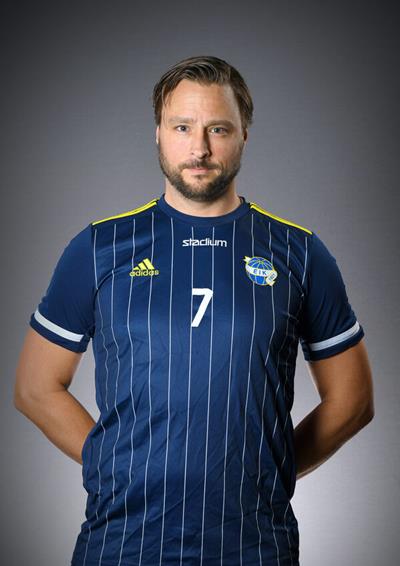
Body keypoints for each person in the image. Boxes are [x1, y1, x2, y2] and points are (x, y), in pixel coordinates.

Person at [14, 55, 374, 566]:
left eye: (217, 129)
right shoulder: (98, 247)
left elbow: (354, 400)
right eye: (182, 127)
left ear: (244, 134)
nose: (199, 148)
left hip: (254, 545)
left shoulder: (299, 252)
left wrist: (268, 472)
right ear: (158, 133)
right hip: (122, 542)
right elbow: (34, 387)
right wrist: (111, 465)